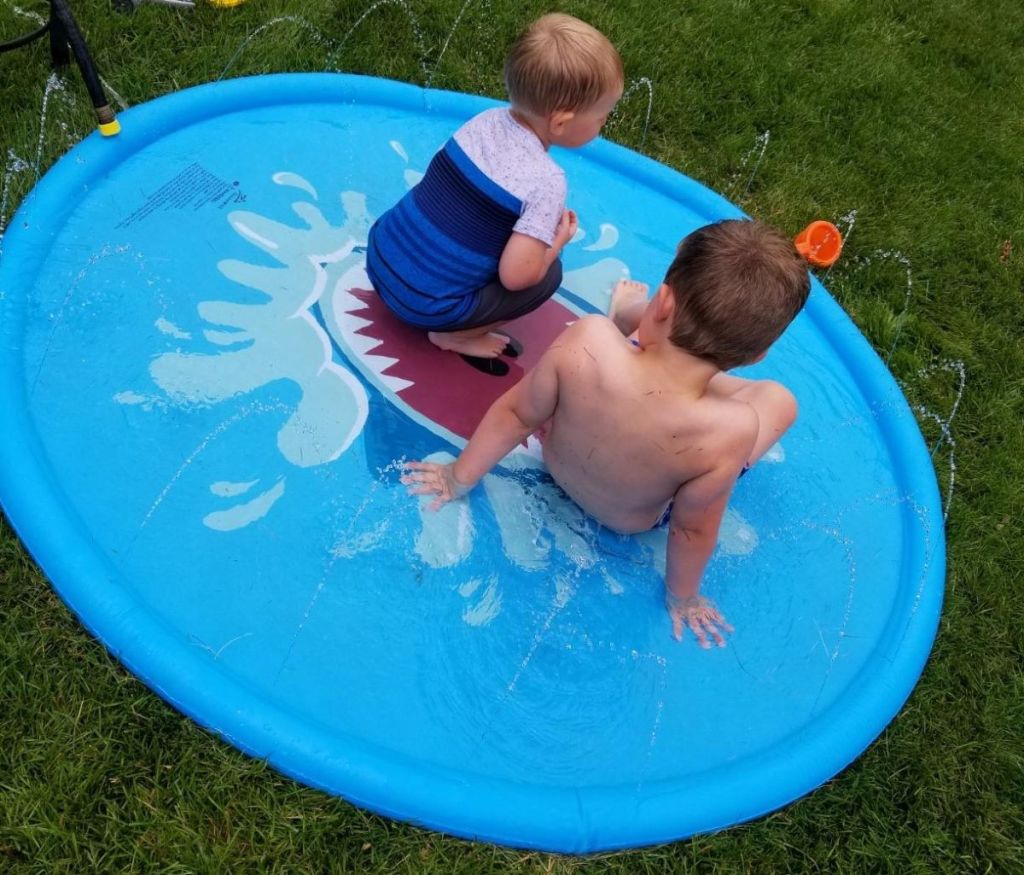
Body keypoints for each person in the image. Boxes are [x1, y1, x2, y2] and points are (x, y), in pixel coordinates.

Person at [402, 219, 811, 648]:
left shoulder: (588, 337)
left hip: (559, 463)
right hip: (629, 518)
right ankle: (681, 365)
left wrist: (458, 477)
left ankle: (636, 331)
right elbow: (692, 529)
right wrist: (682, 598)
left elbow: (517, 414)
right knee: (779, 400)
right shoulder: (731, 430)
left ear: (665, 301)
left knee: (641, 347)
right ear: (756, 355)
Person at [365, 13, 623, 375]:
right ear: (562, 122)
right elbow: (517, 277)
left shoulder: (484, 121)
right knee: (548, 275)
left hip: (379, 258)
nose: (603, 125)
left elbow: (453, 200)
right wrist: (556, 242)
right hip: (422, 306)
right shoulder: (547, 181)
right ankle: (453, 335)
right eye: (602, 118)